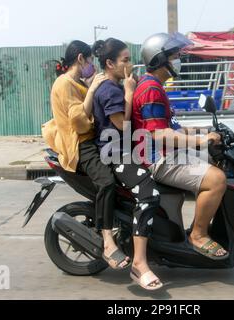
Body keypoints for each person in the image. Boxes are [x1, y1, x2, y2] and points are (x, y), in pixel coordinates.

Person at [132, 33, 229, 260]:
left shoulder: (155, 85)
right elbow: (159, 134)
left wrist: (206, 132)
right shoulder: (151, 90)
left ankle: (200, 226)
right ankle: (198, 235)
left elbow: (173, 129)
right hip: (158, 160)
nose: (179, 60)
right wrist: (200, 141)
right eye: (175, 56)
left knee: (216, 166)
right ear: (160, 59)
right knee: (216, 180)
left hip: (167, 153)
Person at [42, 40, 130, 271]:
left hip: (92, 141)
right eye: (90, 60)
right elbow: (79, 123)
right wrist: (91, 89)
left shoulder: (76, 82)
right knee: (107, 183)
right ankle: (109, 242)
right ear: (81, 59)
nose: (92, 65)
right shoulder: (65, 84)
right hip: (80, 145)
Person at [91, 38, 162, 290]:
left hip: (128, 148)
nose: (130, 65)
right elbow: (123, 125)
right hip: (115, 153)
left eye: (130, 59)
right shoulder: (110, 90)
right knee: (149, 194)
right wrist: (130, 93)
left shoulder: (115, 84)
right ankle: (139, 264)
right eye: (125, 60)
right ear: (110, 63)